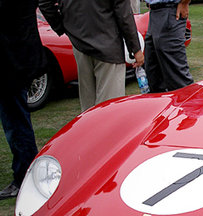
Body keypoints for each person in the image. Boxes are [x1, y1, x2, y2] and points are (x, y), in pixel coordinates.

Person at [39, 0, 144, 112]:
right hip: (108, 45)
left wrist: (63, 27)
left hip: (80, 42)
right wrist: (136, 49)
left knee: (88, 109)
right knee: (110, 108)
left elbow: (44, 3)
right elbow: (123, 14)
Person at [0, 0, 47, 199]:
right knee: (14, 122)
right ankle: (25, 171)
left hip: (13, 62)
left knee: (16, 124)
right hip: (15, 60)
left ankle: (24, 175)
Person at [144, 0, 194, 92]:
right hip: (154, 12)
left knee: (178, 80)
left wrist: (184, 2)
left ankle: (189, 106)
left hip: (171, 10)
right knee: (153, 76)